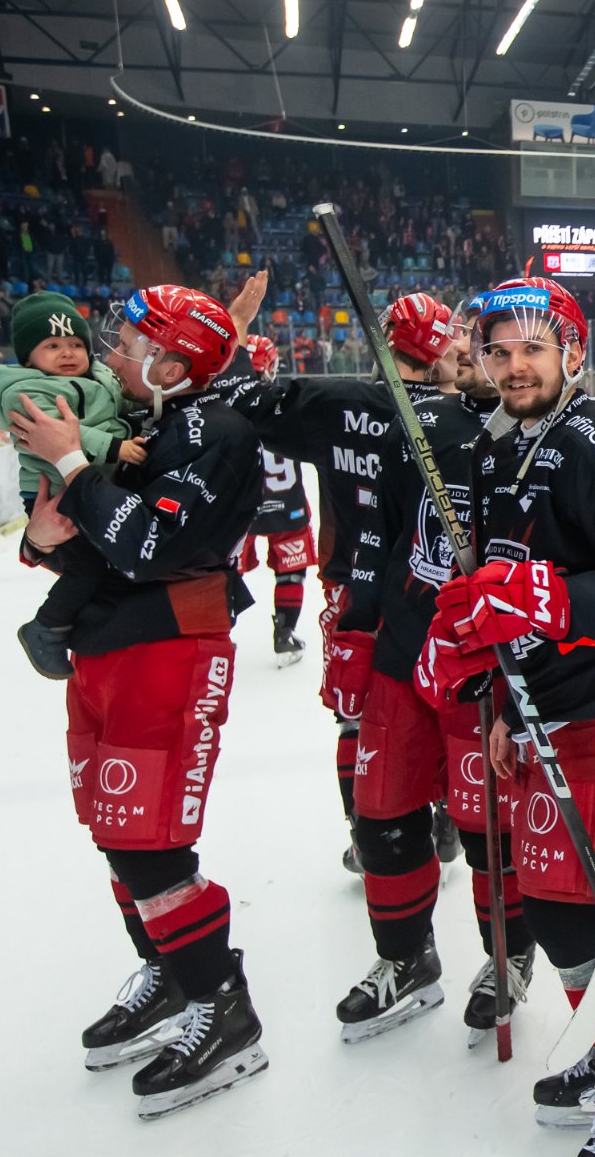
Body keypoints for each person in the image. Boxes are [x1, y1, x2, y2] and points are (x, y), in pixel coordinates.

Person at [421, 276, 595, 1156]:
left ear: (572, 354)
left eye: (533, 349)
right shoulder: (495, 449)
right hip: (544, 703)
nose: (514, 366)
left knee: (590, 903)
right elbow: (499, 591)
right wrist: (499, 692)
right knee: (547, 901)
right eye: (498, 350)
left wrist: (539, 595)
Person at [8, 284, 266, 1118]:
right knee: (114, 830)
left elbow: (147, 544)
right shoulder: (145, 421)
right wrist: (37, 540)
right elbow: (81, 542)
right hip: (106, 646)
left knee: (148, 841)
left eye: (129, 343)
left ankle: (222, 1007)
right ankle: (170, 970)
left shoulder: (220, 433)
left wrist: (75, 466)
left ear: (172, 365)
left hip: (171, 646)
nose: (111, 353)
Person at [329, 293, 528, 1048]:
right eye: (477, 344)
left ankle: (508, 960)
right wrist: (355, 630)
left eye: (505, 348)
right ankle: (406, 959)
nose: (482, 355)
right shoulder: (414, 425)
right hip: (403, 652)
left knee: (487, 832)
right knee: (381, 815)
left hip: (483, 664)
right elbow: (375, 535)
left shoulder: (540, 435)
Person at [215, 279, 457, 875]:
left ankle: (367, 833)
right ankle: (449, 812)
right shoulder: (461, 416)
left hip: (353, 584)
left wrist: (234, 328)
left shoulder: (337, 401)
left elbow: (235, 398)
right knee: (444, 702)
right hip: (438, 586)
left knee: (357, 711)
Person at [0, 291, 144, 678]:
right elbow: (58, 433)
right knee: (86, 567)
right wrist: (115, 446)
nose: (68, 353)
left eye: (75, 343)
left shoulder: (99, 378)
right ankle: (45, 628)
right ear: (28, 357)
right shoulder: (25, 392)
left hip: (90, 488)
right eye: (52, 346)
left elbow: (123, 404)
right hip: (56, 496)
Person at [234, 334, 318, 666]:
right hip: (288, 504)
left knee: (223, 572)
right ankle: (284, 634)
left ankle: (218, 631)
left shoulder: (225, 401)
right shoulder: (285, 400)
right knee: (291, 571)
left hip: (240, 508)